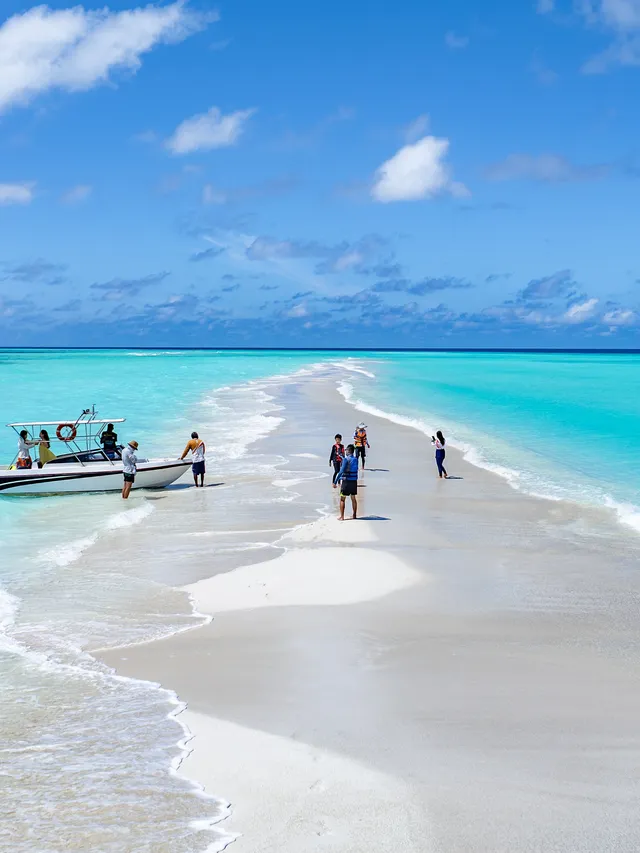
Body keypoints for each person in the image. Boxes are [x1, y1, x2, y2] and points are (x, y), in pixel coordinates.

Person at [337, 444, 359, 520]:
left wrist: (335, 481)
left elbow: (341, 471)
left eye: (346, 450)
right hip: (354, 481)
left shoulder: (345, 459)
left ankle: (342, 516)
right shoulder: (356, 459)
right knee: (353, 498)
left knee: (342, 499)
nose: (345, 451)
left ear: (349, 451)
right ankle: (354, 515)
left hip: (346, 481)